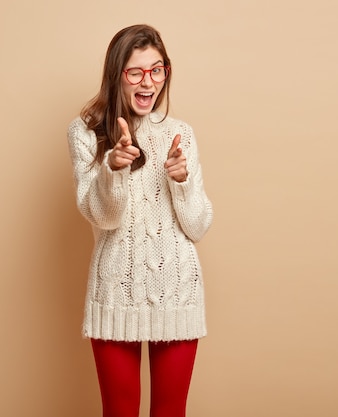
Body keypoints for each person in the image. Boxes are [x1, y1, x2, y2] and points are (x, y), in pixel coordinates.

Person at [67, 24, 213, 417]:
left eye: (157, 69)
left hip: (178, 293)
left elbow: (198, 226)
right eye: (136, 72)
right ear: (117, 75)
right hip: (115, 295)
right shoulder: (86, 132)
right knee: (118, 411)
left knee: (170, 412)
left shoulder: (181, 133)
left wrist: (181, 182)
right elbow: (104, 218)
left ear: (166, 71)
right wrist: (112, 170)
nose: (148, 82)